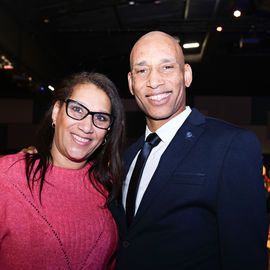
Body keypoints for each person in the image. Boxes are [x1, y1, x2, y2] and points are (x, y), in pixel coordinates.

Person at [109, 31, 269, 269]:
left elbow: (246, 257)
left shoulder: (231, 145)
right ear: (131, 83)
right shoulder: (128, 157)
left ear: (186, 75)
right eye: (142, 70)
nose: (154, 81)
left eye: (167, 67)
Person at [0, 71, 125, 270]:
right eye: (77, 109)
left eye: (100, 118)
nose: (86, 126)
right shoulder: (6, 177)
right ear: (57, 112)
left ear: (108, 132)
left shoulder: (110, 186)